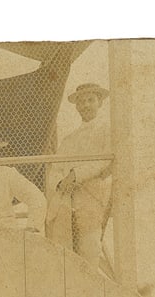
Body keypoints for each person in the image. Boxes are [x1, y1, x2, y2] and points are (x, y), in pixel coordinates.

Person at [46, 83, 112, 265]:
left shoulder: (106, 130)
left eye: (91, 100)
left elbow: (104, 161)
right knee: (63, 247)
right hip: (66, 196)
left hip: (91, 192)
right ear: (76, 107)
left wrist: (75, 175)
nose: (86, 105)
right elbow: (55, 168)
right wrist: (61, 183)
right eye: (81, 102)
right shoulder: (69, 139)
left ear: (100, 103)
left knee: (89, 246)